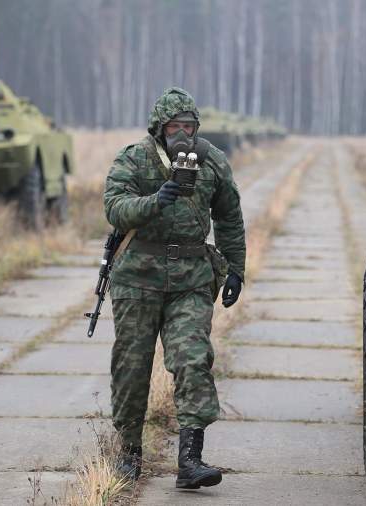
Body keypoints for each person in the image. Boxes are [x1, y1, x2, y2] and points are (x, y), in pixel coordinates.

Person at [103, 87, 245, 489]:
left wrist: (236, 270)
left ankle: (190, 460)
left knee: (192, 360)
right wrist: (157, 199)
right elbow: (114, 208)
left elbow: (230, 218)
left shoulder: (212, 161)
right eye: (174, 127)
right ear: (159, 129)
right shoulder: (135, 158)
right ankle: (129, 453)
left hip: (191, 277)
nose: (183, 134)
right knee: (132, 367)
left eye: (190, 126)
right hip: (137, 279)